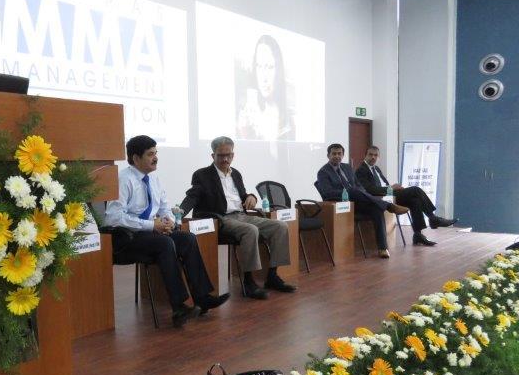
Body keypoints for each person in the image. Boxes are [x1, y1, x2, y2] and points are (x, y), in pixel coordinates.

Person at [104, 135, 229, 327]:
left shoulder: (154, 179)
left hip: (148, 234)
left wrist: (169, 221)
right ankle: (178, 307)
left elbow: (164, 208)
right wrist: (151, 225)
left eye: (156, 153)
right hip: (126, 238)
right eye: (150, 154)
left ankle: (202, 297)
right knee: (165, 243)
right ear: (135, 158)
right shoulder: (123, 179)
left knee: (187, 238)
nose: (155, 158)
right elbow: (113, 217)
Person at [180, 136, 295, 299]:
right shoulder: (202, 175)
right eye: (220, 155)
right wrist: (179, 214)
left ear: (233, 155)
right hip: (221, 218)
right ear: (213, 155)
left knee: (280, 226)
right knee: (250, 230)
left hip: (241, 215)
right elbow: (192, 196)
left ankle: (272, 276)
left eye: (228, 155)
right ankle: (249, 282)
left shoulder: (236, 174)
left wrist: (251, 197)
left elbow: (242, 195)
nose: (225, 159)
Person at [315, 143, 409, 259]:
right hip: (340, 203)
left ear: (343, 155)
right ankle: (389, 206)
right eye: (334, 154)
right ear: (328, 156)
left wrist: (361, 193)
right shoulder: (323, 172)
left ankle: (382, 248)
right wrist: (346, 192)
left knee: (376, 209)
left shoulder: (347, 168)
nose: (337, 156)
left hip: (357, 201)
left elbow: (359, 185)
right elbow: (327, 193)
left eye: (339, 154)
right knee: (352, 190)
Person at [356, 146, 457, 246]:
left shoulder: (376, 169)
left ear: (379, 157)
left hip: (389, 196)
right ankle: (433, 218)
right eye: (370, 155)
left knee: (415, 201)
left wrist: (394, 188)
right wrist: (391, 188)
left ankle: (418, 234)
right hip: (379, 199)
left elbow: (383, 185)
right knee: (415, 190)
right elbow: (369, 189)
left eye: (375, 155)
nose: (373, 157)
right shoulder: (361, 170)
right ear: (365, 156)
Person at [236, 34, 293, 141]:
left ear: (278, 70)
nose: (263, 77)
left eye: (270, 67)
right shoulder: (247, 115)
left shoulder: (288, 120)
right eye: (259, 66)